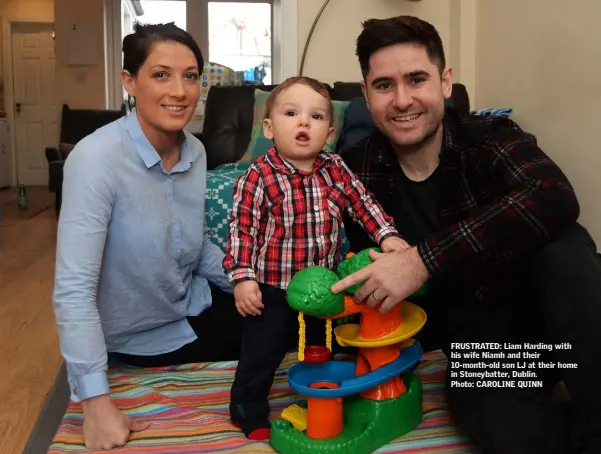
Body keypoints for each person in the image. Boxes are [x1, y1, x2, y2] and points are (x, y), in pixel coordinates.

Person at [331, 15, 601, 454]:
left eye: (416, 79)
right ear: (366, 95)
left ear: (445, 82)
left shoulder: (487, 139)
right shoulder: (354, 169)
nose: (402, 100)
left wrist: (420, 261)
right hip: (479, 353)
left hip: (550, 326)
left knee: (565, 245)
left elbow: (554, 195)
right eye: (384, 86)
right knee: (516, 440)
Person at [52, 23, 243, 451]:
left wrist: (250, 279)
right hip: (139, 336)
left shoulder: (195, 152)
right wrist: (96, 404)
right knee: (277, 340)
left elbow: (196, 245)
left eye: (191, 76)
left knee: (291, 315)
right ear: (129, 81)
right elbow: (73, 290)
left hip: (190, 304)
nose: (179, 90)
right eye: (161, 74)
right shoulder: (95, 159)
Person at [222, 76, 408, 440]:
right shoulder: (259, 177)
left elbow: (362, 203)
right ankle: (247, 408)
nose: (304, 122)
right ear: (269, 127)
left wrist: (387, 235)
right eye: (291, 113)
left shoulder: (334, 168)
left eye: (317, 116)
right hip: (272, 289)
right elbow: (242, 231)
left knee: (329, 349)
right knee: (262, 353)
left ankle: (328, 397)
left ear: (330, 131)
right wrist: (243, 278)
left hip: (324, 285)